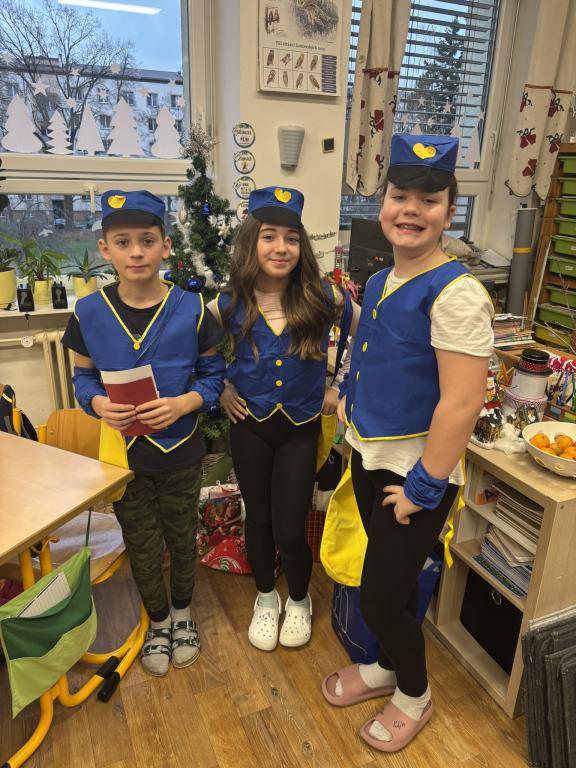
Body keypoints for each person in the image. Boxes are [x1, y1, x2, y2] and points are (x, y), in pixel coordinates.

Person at [322, 135, 494, 752]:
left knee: (381, 596)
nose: (411, 209)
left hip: (417, 476)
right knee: (380, 584)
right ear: (383, 203)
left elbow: (462, 403)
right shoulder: (380, 278)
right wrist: (347, 400)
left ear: (449, 212)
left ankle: (414, 693)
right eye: (400, 196)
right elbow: (373, 355)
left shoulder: (458, 294)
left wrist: (422, 487)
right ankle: (383, 667)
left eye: (429, 199)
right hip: (374, 458)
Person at [62, 190, 226, 677]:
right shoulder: (88, 313)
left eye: (147, 241)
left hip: (181, 451)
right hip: (124, 457)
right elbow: (83, 379)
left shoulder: (195, 309)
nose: (136, 252)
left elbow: (213, 378)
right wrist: (97, 403)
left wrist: (183, 403)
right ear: (105, 249)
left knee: (182, 537)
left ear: (166, 246)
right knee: (140, 542)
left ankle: (182, 613)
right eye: (123, 242)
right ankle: (157, 620)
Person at [209, 186, 359, 652]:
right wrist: (222, 388)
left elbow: (369, 339)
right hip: (249, 427)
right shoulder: (228, 302)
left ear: (301, 245)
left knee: (291, 526)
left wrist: (341, 388)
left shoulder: (324, 296)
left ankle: (298, 599)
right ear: (251, 242)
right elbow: (199, 355)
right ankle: (265, 597)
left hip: (299, 429)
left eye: (291, 238)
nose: (281, 247)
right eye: (269, 236)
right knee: (257, 518)